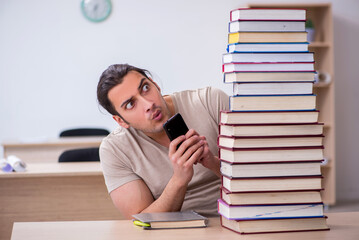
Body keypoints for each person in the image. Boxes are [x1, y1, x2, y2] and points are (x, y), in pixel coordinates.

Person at [97, 64, 229, 219]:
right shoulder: (114, 149)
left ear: (156, 85)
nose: (148, 104)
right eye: (131, 104)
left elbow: (260, 174)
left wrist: (214, 163)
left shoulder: (210, 101)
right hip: (175, 232)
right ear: (120, 121)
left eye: (146, 88)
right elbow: (141, 220)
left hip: (237, 220)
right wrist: (179, 180)